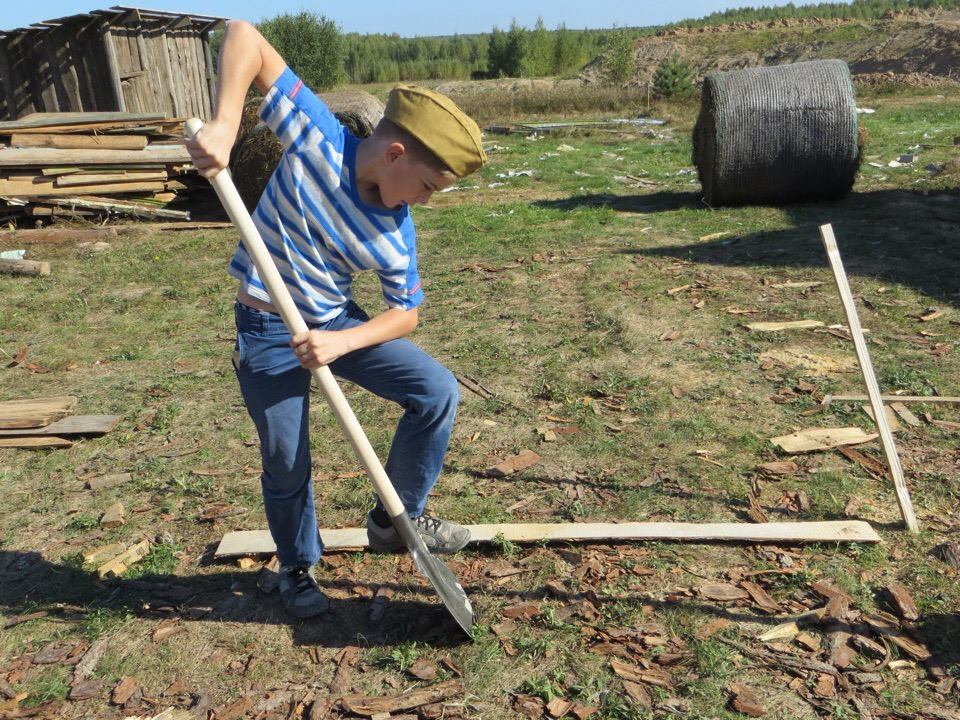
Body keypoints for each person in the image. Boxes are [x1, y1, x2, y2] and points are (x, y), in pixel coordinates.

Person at [185, 19, 486, 619]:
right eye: (427, 185)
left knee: (435, 392)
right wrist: (224, 124)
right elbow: (244, 36)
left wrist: (340, 339)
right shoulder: (317, 137)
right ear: (395, 153)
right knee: (286, 458)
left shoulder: (396, 232)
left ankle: (395, 518)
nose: (425, 201)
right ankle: (298, 568)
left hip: (335, 325)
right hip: (267, 329)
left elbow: (407, 313)